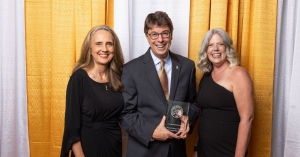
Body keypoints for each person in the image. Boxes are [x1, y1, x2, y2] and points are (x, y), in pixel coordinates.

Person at [119, 11, 200, 157]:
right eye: (154, 34)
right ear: (147, 37)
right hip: (144, 150)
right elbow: (125, 114)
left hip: (176, 151)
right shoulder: (131, 69)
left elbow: (193, 104)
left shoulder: (187, 66)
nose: (160, 39)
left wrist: (188, 119)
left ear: (171, 35)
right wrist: (152, 132)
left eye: (165, 33)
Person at [60, 25, 124, 157]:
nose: (104, 49)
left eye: (109, 44)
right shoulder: (79, 78)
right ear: (90, 48)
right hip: (87, 148)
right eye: (99, 44)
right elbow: (72, 128)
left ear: (114, 48)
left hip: (114, 147)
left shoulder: (119, 77)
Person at [194, 28, 254, 156]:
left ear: (227, 48)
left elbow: (247, 118)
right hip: (204, 151)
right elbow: (204, 116)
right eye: (210, 45)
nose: (215, 49)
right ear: (206, 50)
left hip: (228, 151)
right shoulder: (206, 77)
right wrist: (196, 150)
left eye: (220, 44)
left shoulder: (238, 74)